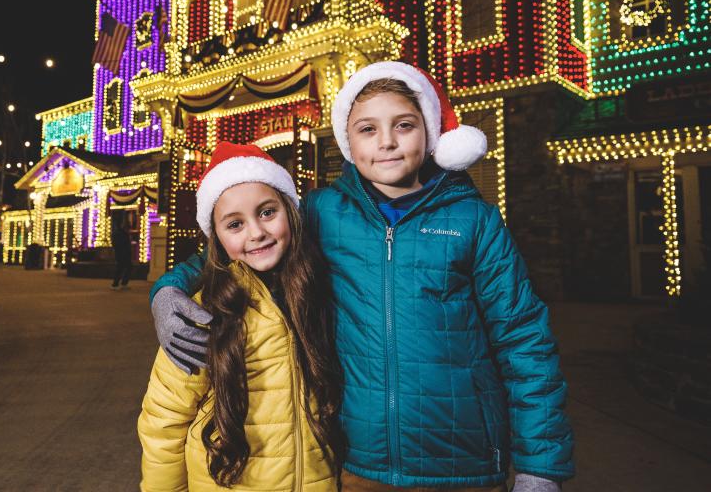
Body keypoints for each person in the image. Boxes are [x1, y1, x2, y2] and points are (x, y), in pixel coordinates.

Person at [150, 62, 574, 491]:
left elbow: (525, 341)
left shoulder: (474, 221)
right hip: (359, 461)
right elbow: (238, 248)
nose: (387, 142)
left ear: (428, 131)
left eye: (404, 125)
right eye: (368, 129)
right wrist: (167, 290)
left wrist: (539, 467)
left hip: (462, 459)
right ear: (347, 142)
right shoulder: (322, 213)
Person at [138, 142, 343, 491]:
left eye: (267, 212)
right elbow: (164, 423)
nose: (256, 232)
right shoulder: (202, 313)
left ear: (291, 213)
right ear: (215, 237)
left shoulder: (319, 293)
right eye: (235, 224)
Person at [111, 217, 132, 288]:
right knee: (120, 268)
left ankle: (122, 283)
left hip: (124, 253)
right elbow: (117, 244)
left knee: (126, 267)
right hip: (121, 253)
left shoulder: (122, 233)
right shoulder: (120, 233)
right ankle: (116, 284)